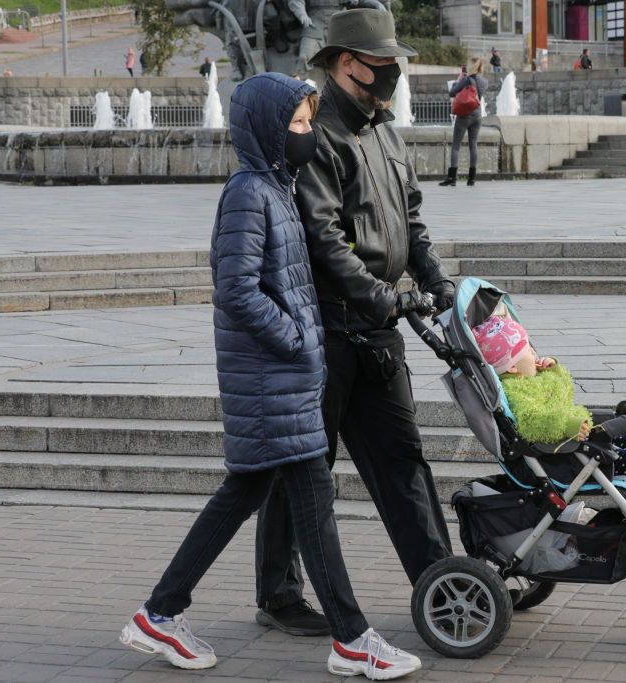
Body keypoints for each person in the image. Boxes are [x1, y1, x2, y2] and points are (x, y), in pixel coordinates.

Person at [117, 72, 421, 681]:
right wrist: (301, 341)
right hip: (273, 377)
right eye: (300, 124)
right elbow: (235, 290)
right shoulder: (247, 193)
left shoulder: (275, 188)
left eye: (310, 123)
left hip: (280, 380)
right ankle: (353, 638)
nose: (308, 134)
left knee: (243, 494)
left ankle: (159, 613)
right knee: (313, 500)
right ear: (265, 127)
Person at [250, 8, 455, 640]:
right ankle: (280, 595)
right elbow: (324, 237)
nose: (392, 74)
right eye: (382, 65)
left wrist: (437, 281)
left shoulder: (386, 131)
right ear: (346, 63)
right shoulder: (316, 134)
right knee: (304, 468)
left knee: (405, 462)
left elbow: (411, 221)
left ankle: (446, 586)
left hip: (380, 330)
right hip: (329, 333)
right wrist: (382, 297)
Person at [472, 315, 626, 518]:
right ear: (512, 366)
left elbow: (564, 392)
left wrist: (553, 369)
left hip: (575, 443)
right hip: (561, 457)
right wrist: (568, 424)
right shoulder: (515, 392)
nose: (534, 352)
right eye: (527, 349)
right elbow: (533, 421)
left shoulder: (532, 378)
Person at [441, 57, 487, 187]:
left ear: (471, 66)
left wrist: (459, 80)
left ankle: (452, 178)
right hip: (477, 115)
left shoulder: (466, 79)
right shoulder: (484, 81)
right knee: (473, 145)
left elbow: (452, 92)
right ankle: (471, 179)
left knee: (456, 146)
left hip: (464, 116)